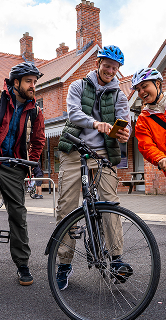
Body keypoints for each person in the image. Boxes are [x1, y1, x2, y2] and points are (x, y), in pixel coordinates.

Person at [56, 45, 132, 290]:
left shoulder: (119, 95)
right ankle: (64, 264)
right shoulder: (78, 86)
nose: (110, 70)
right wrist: (96, 123)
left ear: (118, 70)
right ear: (98, 64)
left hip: (102, 154)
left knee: (110, 203)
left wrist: (124, 134)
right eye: (107, 65)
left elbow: (124, 121)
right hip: (74, 148)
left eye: (115, 67)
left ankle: (117, 258)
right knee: (67, 206)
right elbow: (73, 113)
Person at [132, 67, 166, 290]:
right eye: (138, 89)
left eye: (145, 86)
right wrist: (161, 158)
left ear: (158, 84)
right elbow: (146, 145)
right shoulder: (143, 120)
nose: (142, 92)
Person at [0, 62, 45, 285]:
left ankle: (22, 264)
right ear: (15, 82)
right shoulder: (0, 102)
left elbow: (38, 140)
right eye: (29, 81)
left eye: (35, 82)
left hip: (15, 167)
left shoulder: (35, 110)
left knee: (18, 215)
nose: (33, 86)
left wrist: (30, 162)